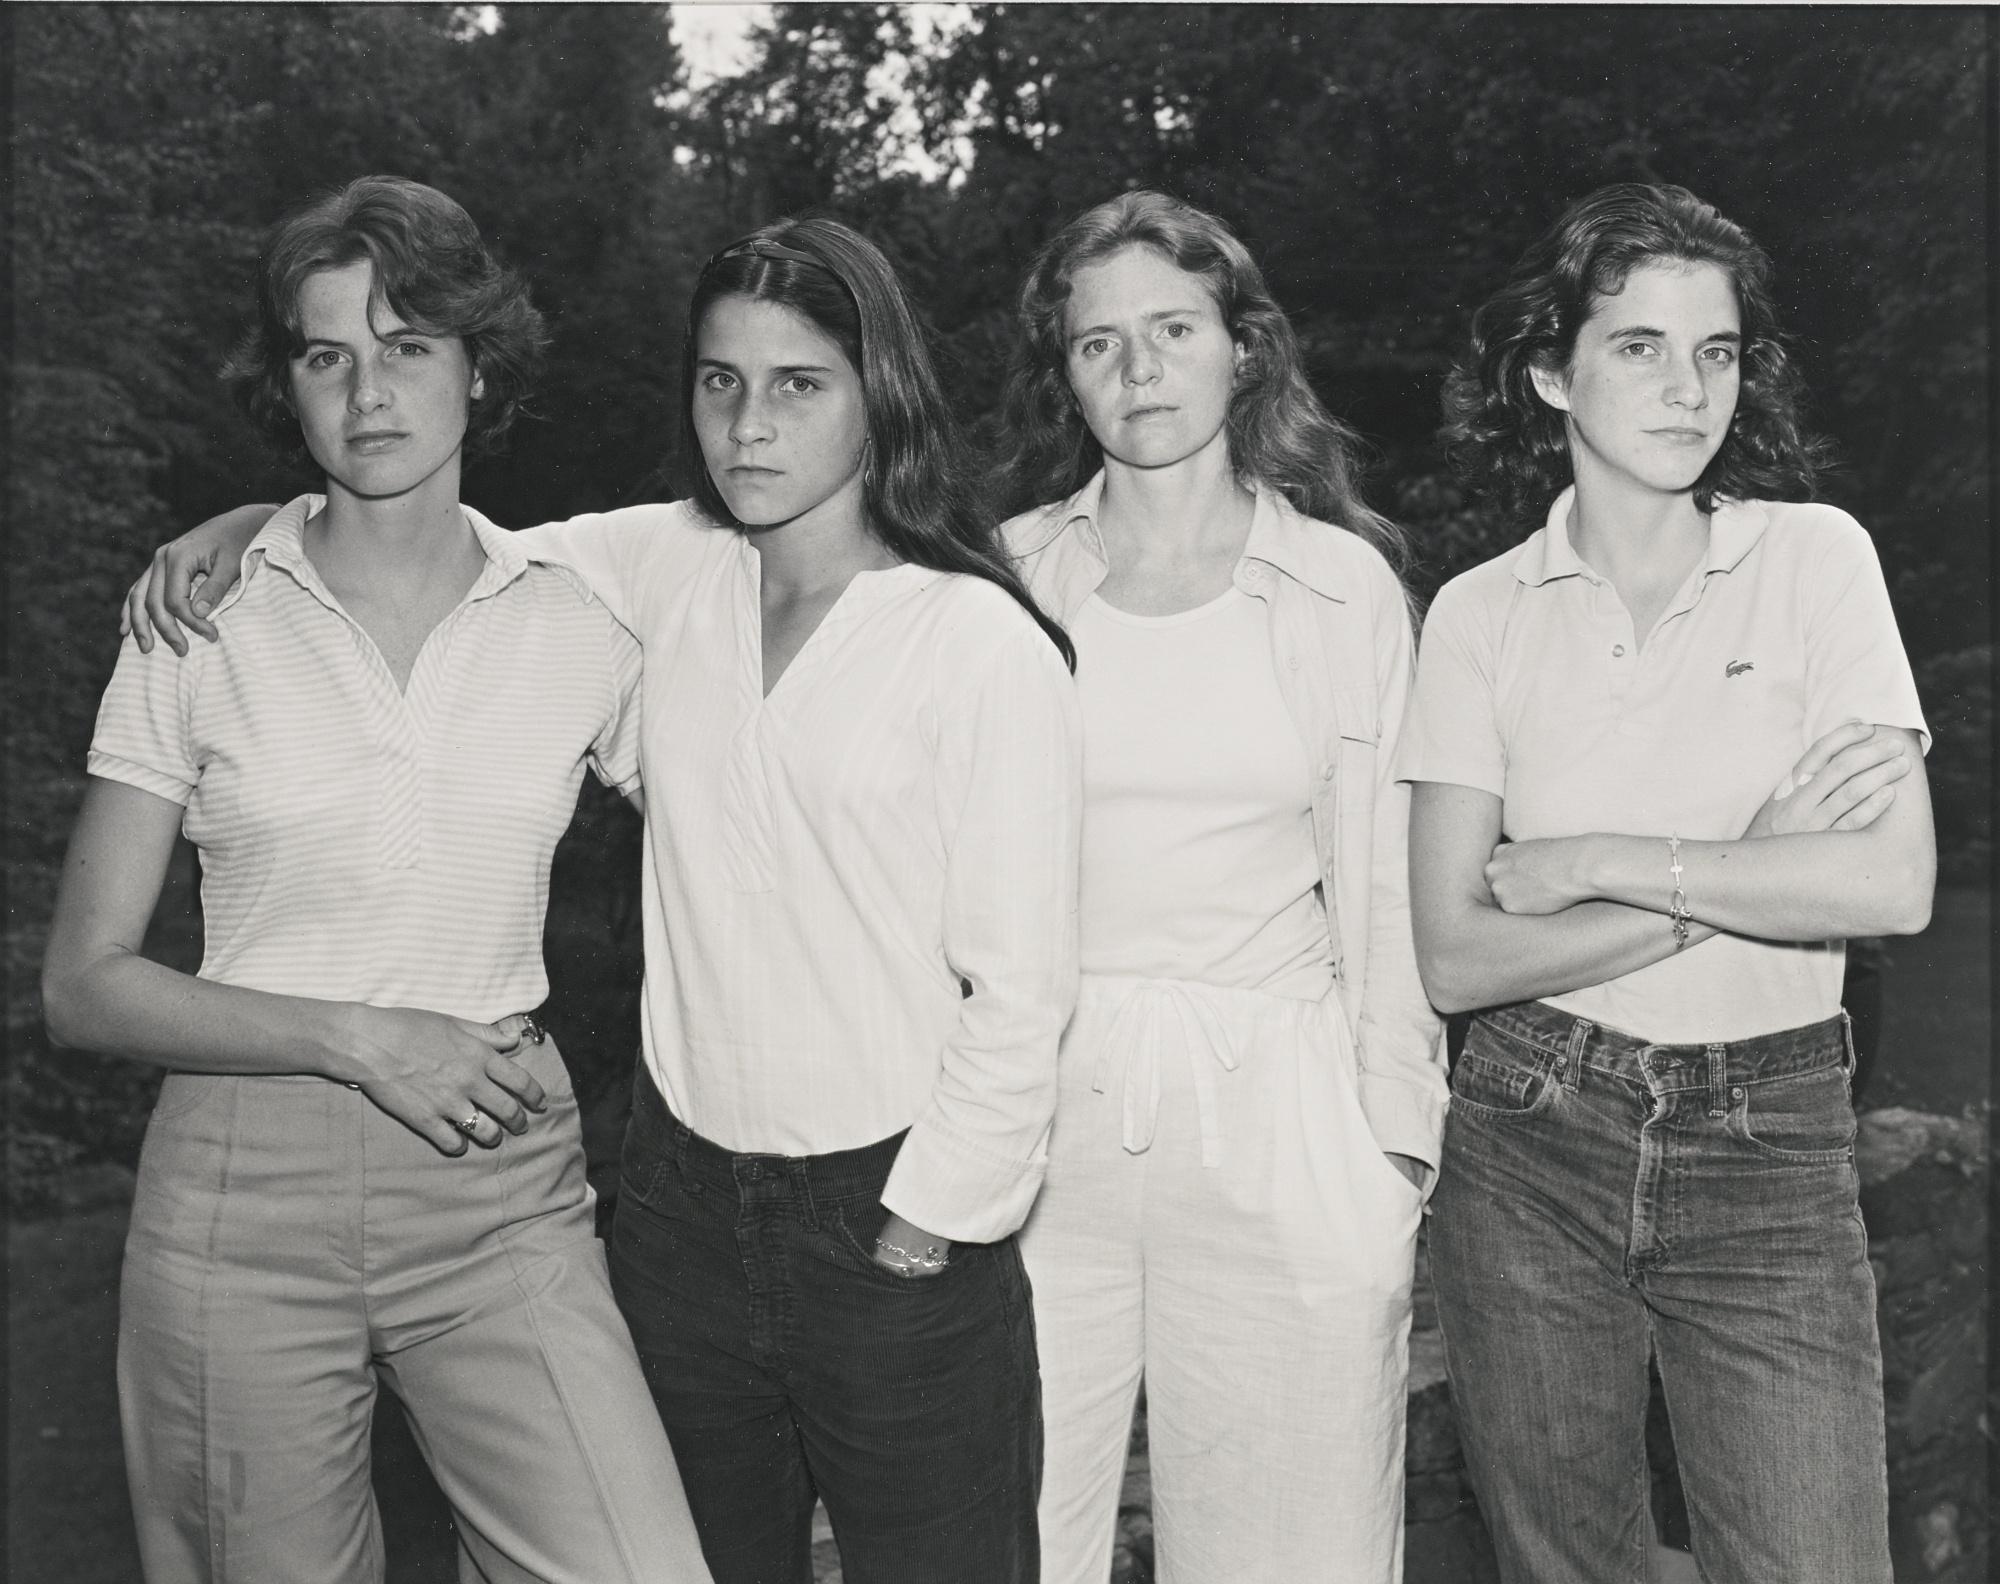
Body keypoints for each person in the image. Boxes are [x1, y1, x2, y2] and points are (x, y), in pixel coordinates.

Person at [122, 215, 1083, 1584]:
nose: (750, 425)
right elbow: (421, 537)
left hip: (890, 1203)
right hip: (680, 1220)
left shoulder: (974, 639)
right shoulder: (661, 570)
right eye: (719, 381)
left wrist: (928, 1227)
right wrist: (245, 527)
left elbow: (1026, 988)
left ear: (880, 392)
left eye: (799, 383)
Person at [44, 176, 712, 1583]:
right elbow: (85, 985)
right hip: (240, 1189)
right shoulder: (200, 621)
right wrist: (360, 1038)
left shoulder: (576, 619)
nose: (369, 392)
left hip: (497, 1172)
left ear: (480, 367)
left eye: (408, 345)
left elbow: (756, 826)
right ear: (287, 383)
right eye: (326, 353)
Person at [1399, 182, 1934, 1584]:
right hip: (1528, 1134)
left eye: (1717, 350)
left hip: (1773, 1133)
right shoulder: (1479, 615)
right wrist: (1752, 861)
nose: (1688, 388)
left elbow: (1891, 882)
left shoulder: (1815, 560)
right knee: (1567, 1562)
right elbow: (1455, 957)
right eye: (1638, 346)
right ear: (1550, 373)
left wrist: (1594, 867)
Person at [987, 188, 1441, 1584]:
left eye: (1173, 329)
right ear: (1064, 375)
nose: (1138, 370)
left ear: (1243, 348)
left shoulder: (1342, 588)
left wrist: (1390, 1154)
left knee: (1294, 1550)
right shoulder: (1004, 578)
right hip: (1042, 1115)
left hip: (1280, 1106)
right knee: (1004, 1533)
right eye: (1098, 342)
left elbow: (1388, 886)